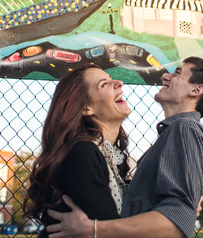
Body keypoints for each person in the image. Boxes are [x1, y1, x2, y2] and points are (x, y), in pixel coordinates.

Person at [47, 56, 203, 238]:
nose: (166, 76)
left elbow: (178, 219)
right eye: (104, 84)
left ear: (197, 90)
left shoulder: (184, 128)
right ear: (85, 108)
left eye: (178, 73)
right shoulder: (91, 153)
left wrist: (93, 229)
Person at [24, 64, 133, 237]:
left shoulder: (110, 156)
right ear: (86, 108)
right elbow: (109, 228)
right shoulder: (82, 153)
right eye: (104, 84)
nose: (119, 83)